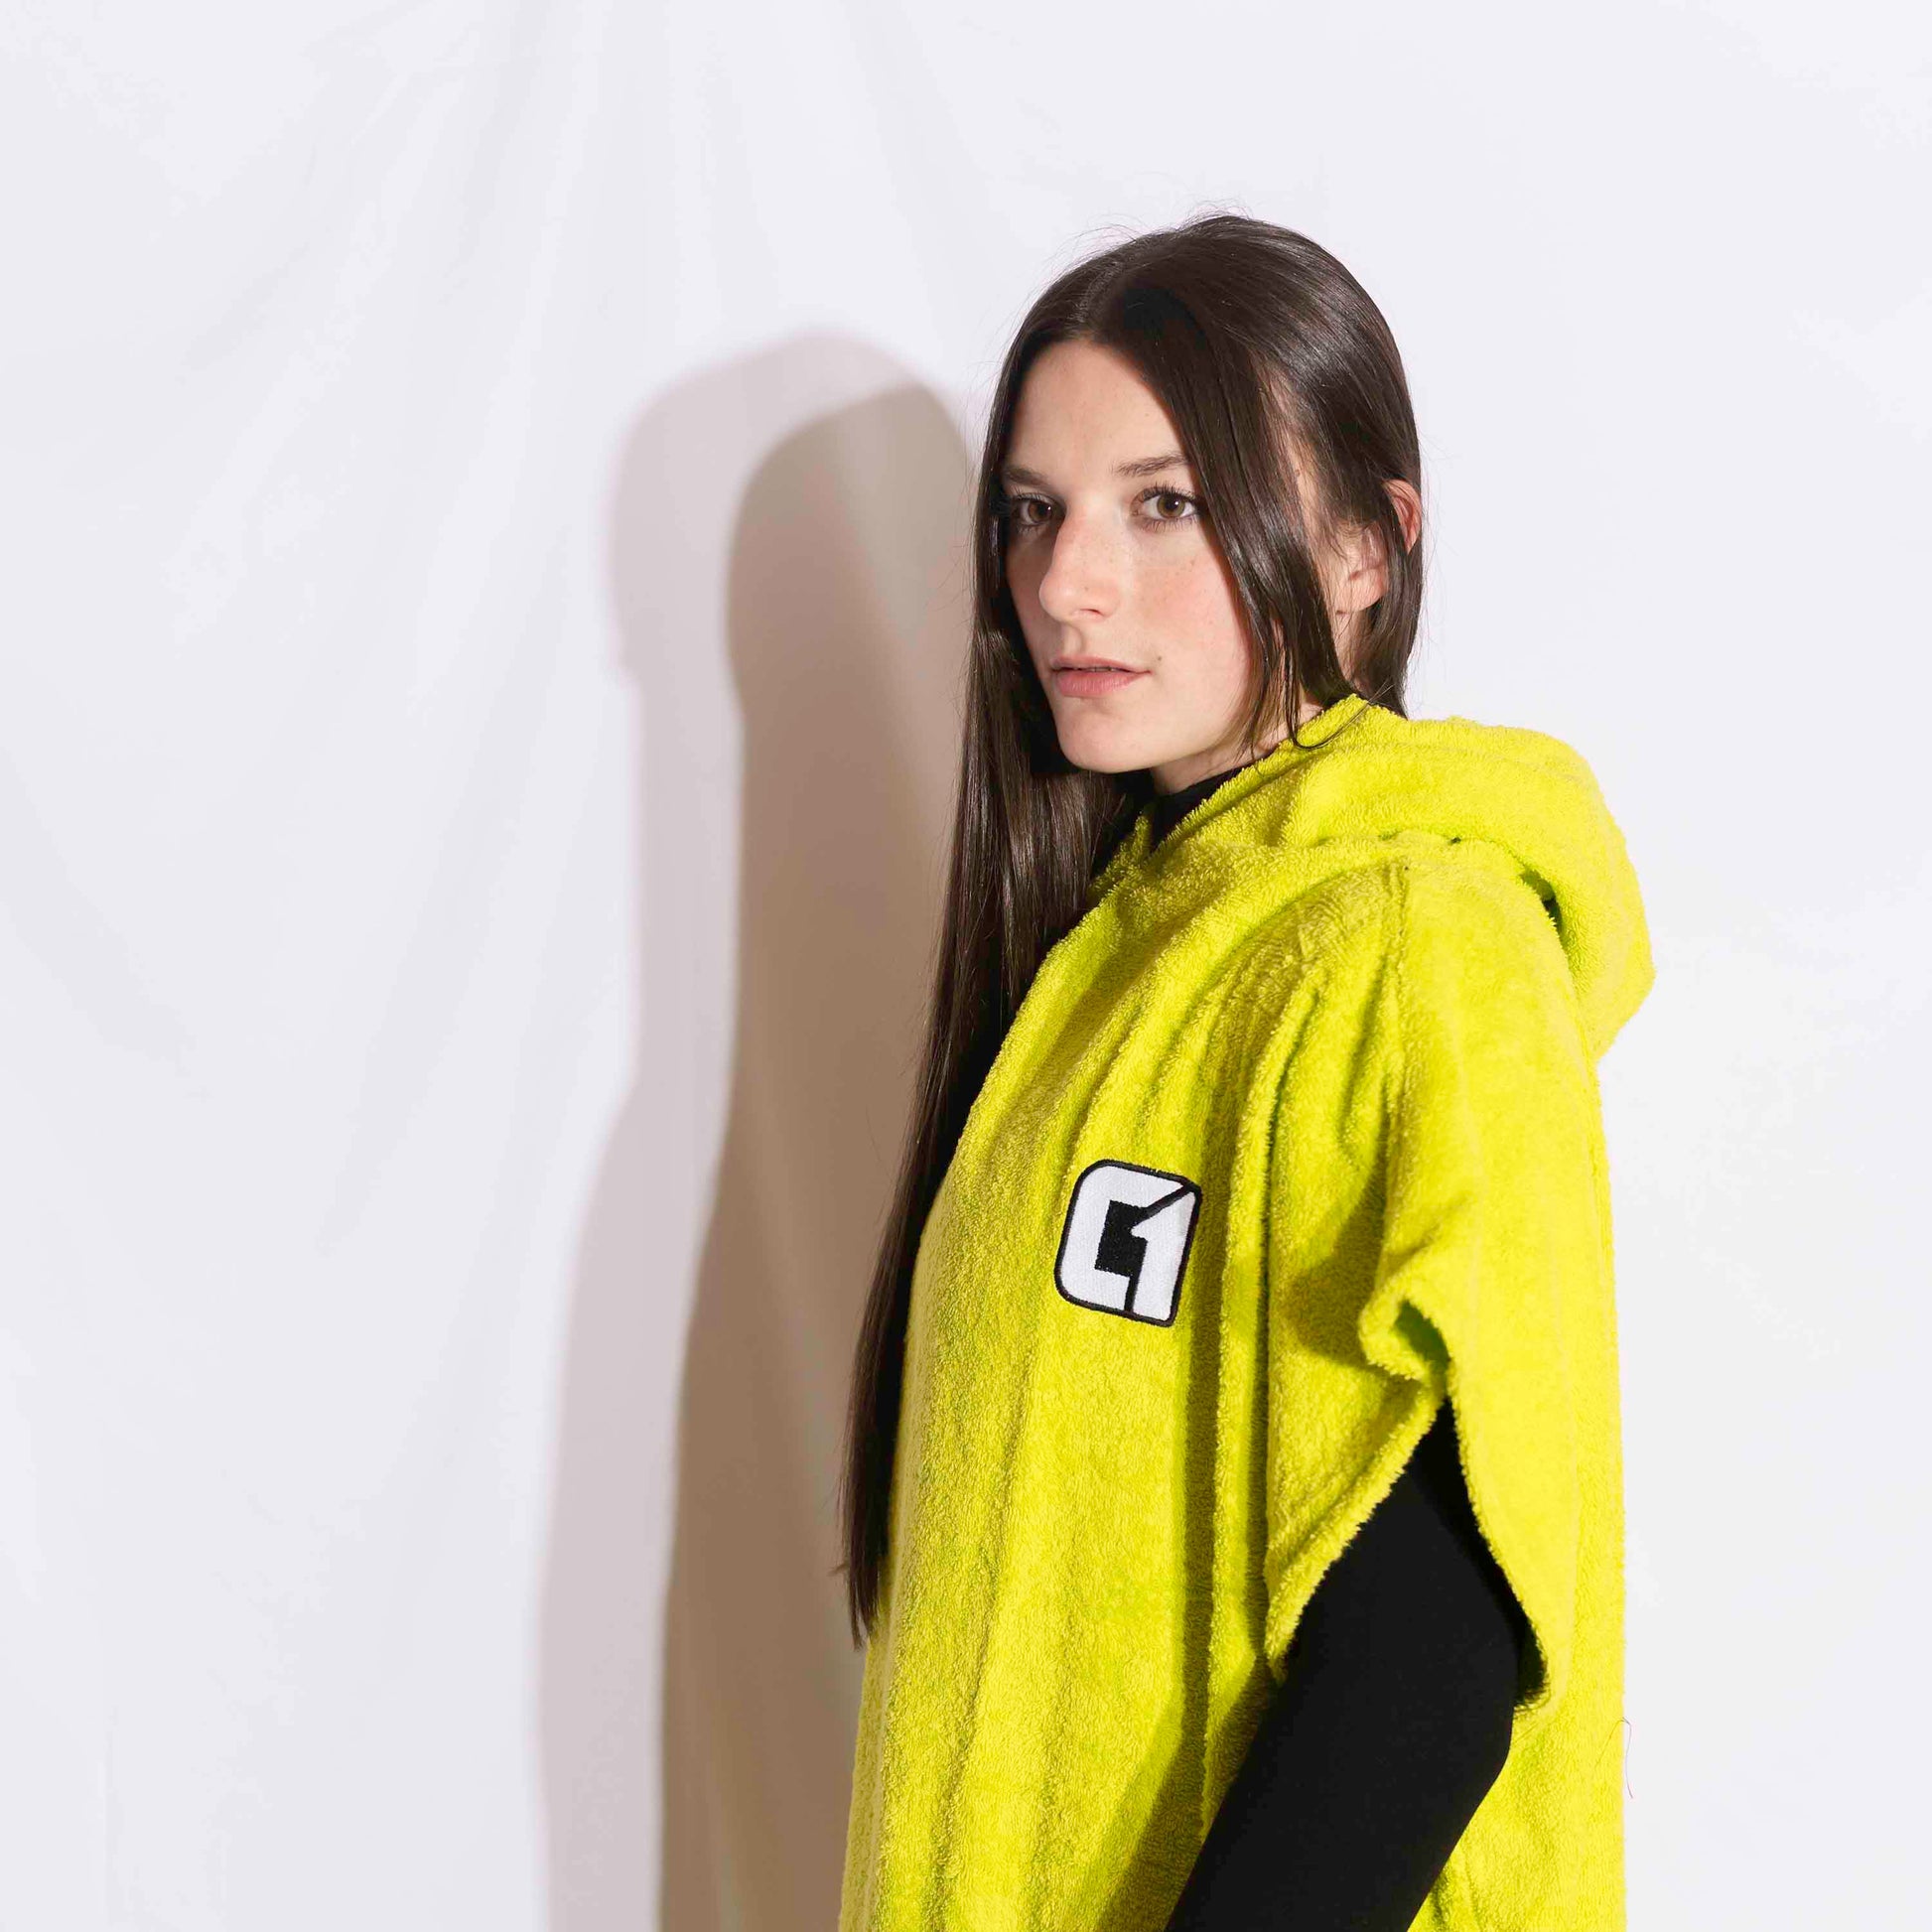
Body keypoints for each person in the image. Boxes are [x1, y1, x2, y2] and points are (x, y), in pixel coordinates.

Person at [835, 213, 1653, 1932]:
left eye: (1166, 504)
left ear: (1365, 548)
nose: (1066, 583)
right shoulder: (1111, 967)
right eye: (1034, 511)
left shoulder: (1414, 943)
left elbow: (1435, 1651)